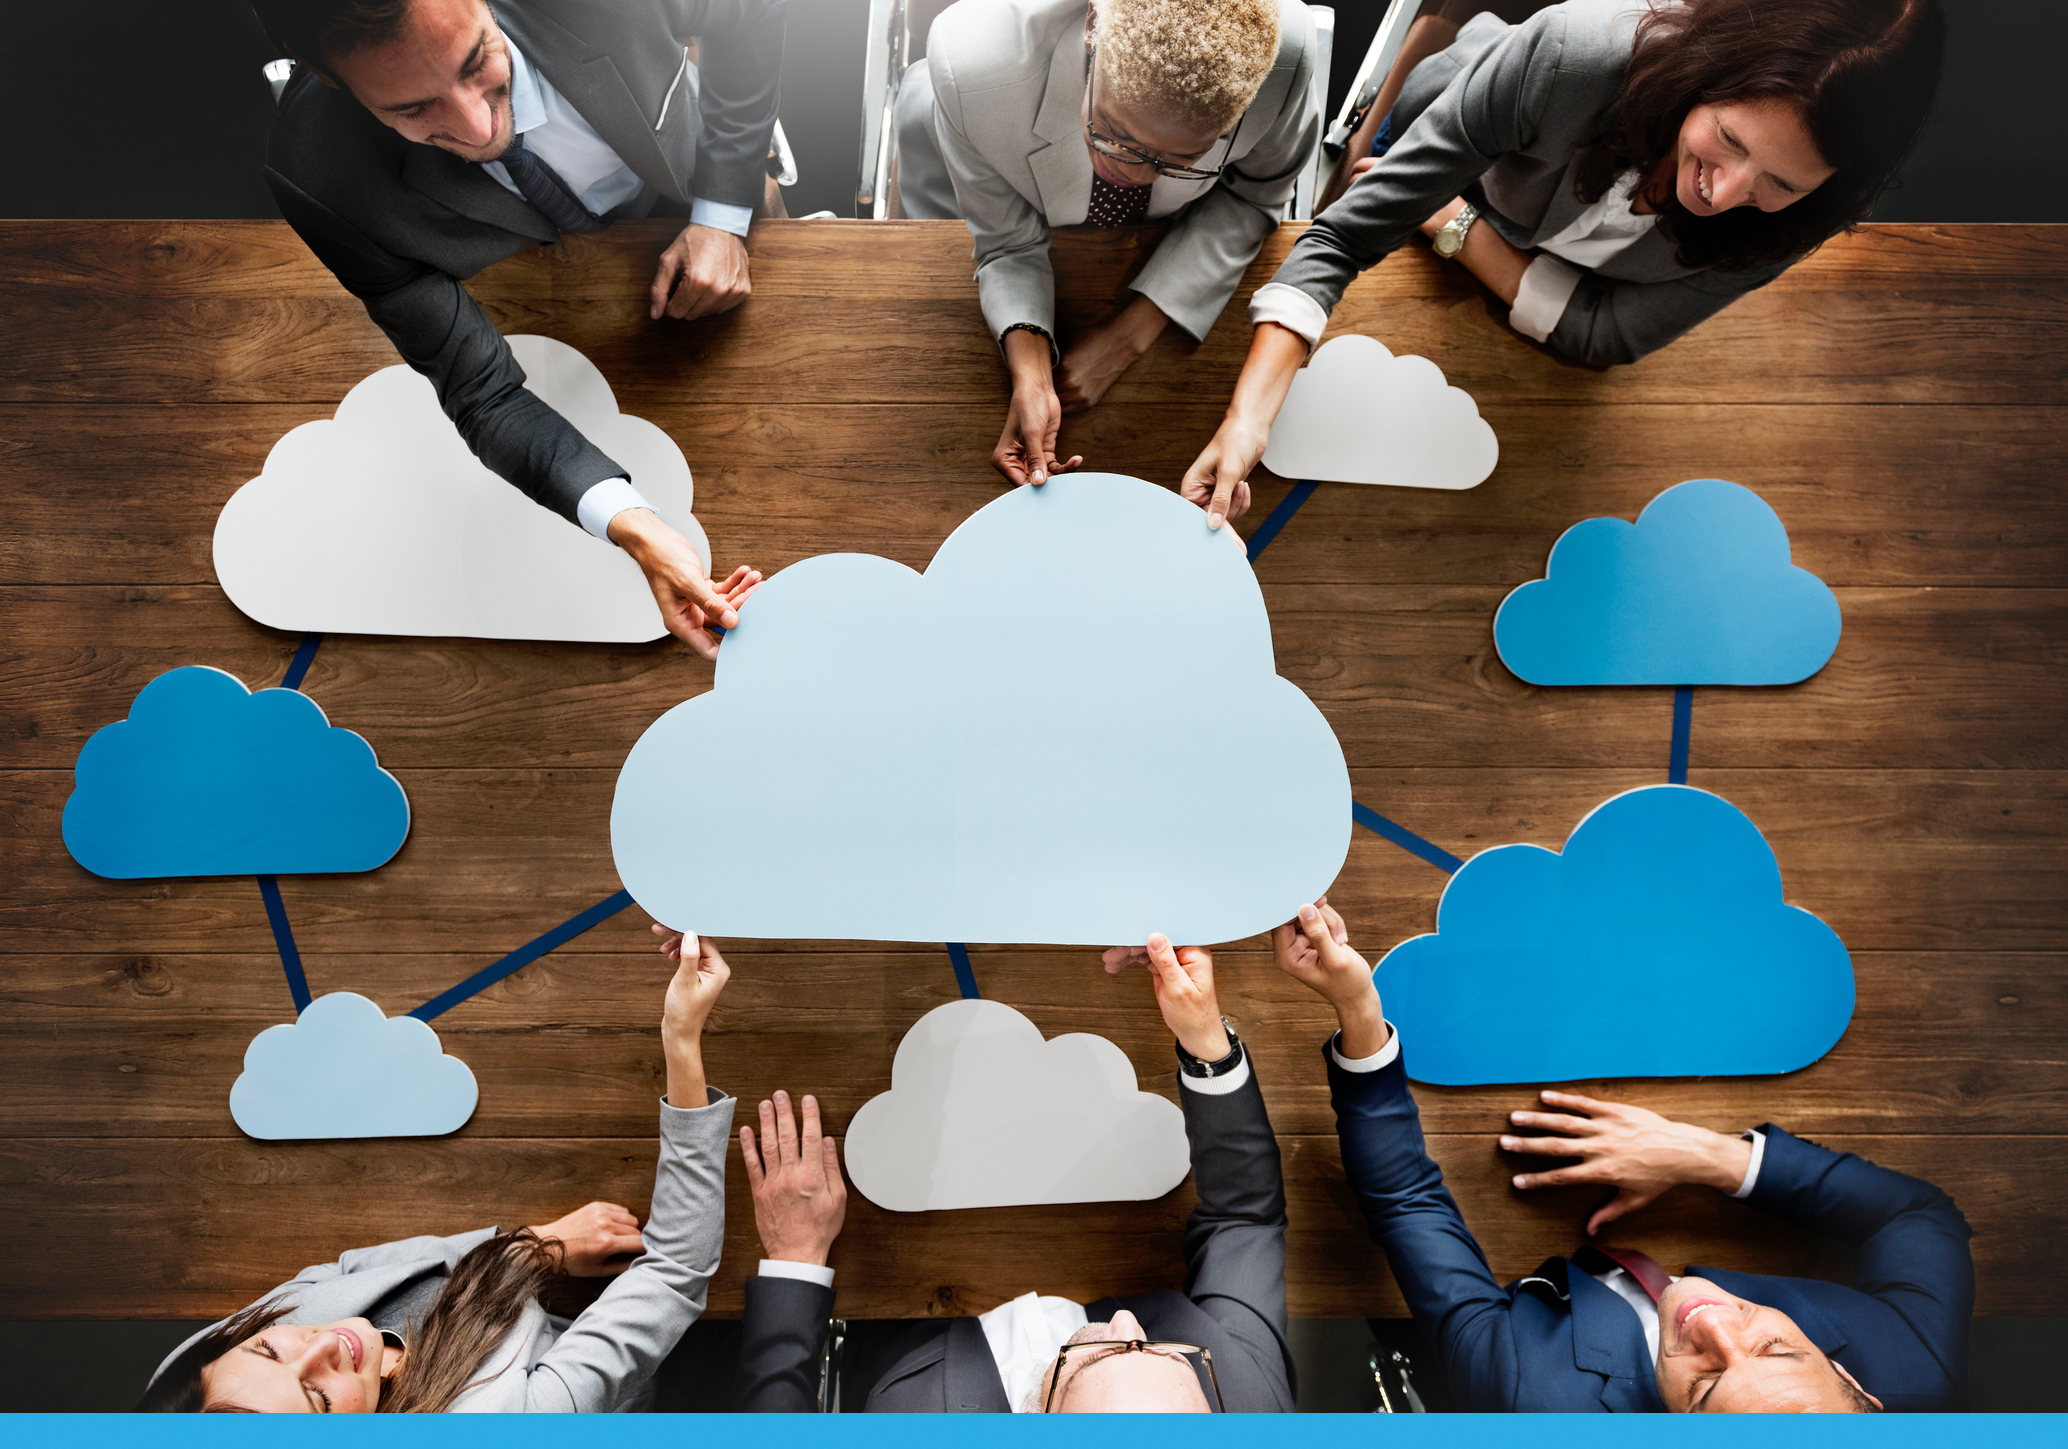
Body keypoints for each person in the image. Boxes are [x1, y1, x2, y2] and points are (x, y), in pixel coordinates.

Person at [1183, 0, 1947, 526]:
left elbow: (1608, 338)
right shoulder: (1573, 56)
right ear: (1704, 75)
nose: (1727, 192)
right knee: (1402, 128)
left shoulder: (1802, 214)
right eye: (1731, 140)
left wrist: (1453, 224)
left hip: (1467, 210)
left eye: (1780, 183)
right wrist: (1246, 422)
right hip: (1458, 119)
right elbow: (1343, 237)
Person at [1275, 896, 1975, 1412]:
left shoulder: (1534, 1391)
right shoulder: (1910, 1364)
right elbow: (1919, 1215)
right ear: (1858, 1388)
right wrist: (1703, 1154)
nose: (1715, 1327)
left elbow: (1405, 1202)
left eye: (1703, 1388)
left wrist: (1358, 1008)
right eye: (1774, 1347)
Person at [246, 0, 783, 656]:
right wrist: (635, 526)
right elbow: (482, 394)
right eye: (413, 110)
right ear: (328, 78)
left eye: (477, 62)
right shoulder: (318, 177)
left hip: (694, 177)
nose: (475, 125)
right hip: (546, 286)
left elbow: (754, 12)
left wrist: (722, 215)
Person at [136, 936, 738, 1412]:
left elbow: (339, 1275)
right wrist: (681, 1037)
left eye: (268, 1348)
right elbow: (675, 1269)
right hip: (665, 1365)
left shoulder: (197, 1384)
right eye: (318, 1400)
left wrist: (532, 1249)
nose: (320, 1342)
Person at [730, 933, 1295, 1411]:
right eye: (1163, 1351)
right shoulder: (1243, 1391)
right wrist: (1206, 1044)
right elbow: (1245, 1218)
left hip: (898, 1324)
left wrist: (793, 1264)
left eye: (1096, 1355)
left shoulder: (912, 1417)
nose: (1128, 1321)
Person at [896, 0, 1322, 488]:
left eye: (1182, 158)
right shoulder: (971, 63)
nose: (1133, 174)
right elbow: (1006, 240)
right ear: (1092, 28)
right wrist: (1031, 376)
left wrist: (1126, 339)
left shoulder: (1286, 56)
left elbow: (1254, 194)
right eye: (1116, 134)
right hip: (964, 140)